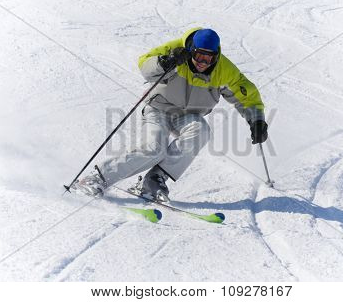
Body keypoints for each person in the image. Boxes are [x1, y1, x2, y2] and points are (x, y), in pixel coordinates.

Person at [73, 27, 268, 201]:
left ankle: (154, 180)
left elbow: (247, 95)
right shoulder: (176, 52)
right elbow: (144, 65)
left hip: (188, 115)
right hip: (158, 108)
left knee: (201, 131)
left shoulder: (224, 71)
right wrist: (163, 63)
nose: (202, 62)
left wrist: (256, 120)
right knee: (154, 148)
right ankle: (97, 178)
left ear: (216, 56)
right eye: (199, 56)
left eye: (208, 58)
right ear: (192, 50)